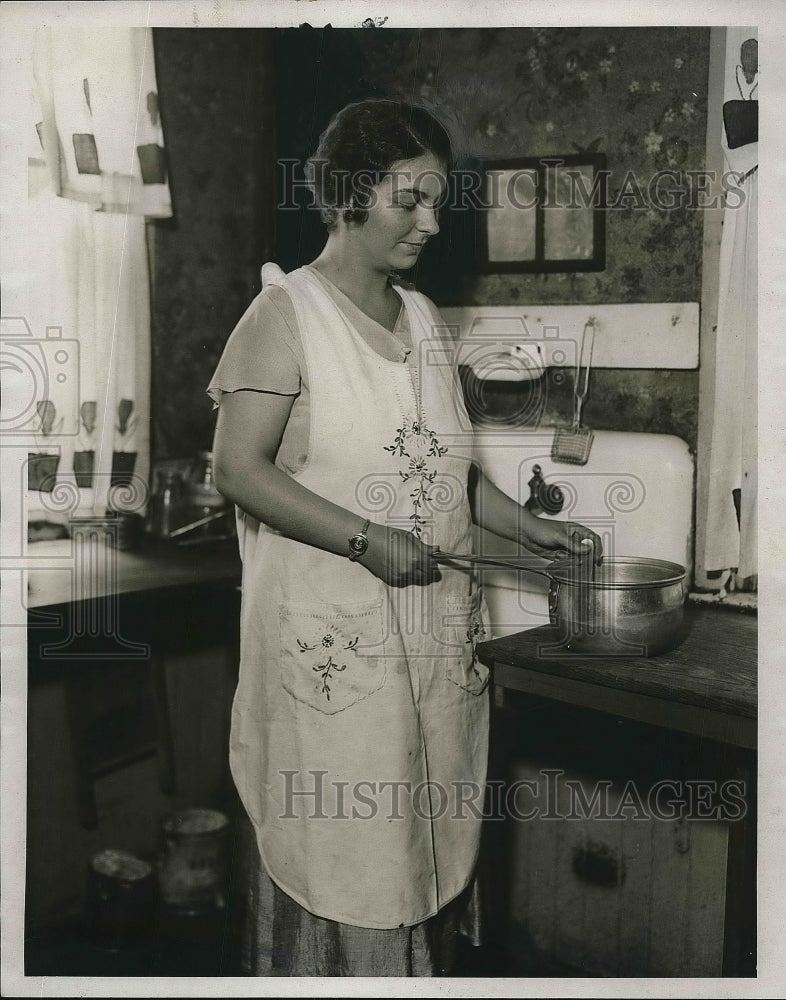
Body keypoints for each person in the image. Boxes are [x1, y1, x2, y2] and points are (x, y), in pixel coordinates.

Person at [207, 98, 602, 977]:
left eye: (437, 202)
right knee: (348, 849)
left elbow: (440, 466)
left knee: (424, 835)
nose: (430, 222)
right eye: (408, 200)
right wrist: (363, 539)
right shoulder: (284, 316)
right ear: (349, 195)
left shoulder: (424, 321)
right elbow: (237, 471)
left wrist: (528, 527)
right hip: (334, 645)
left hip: (429, 647)